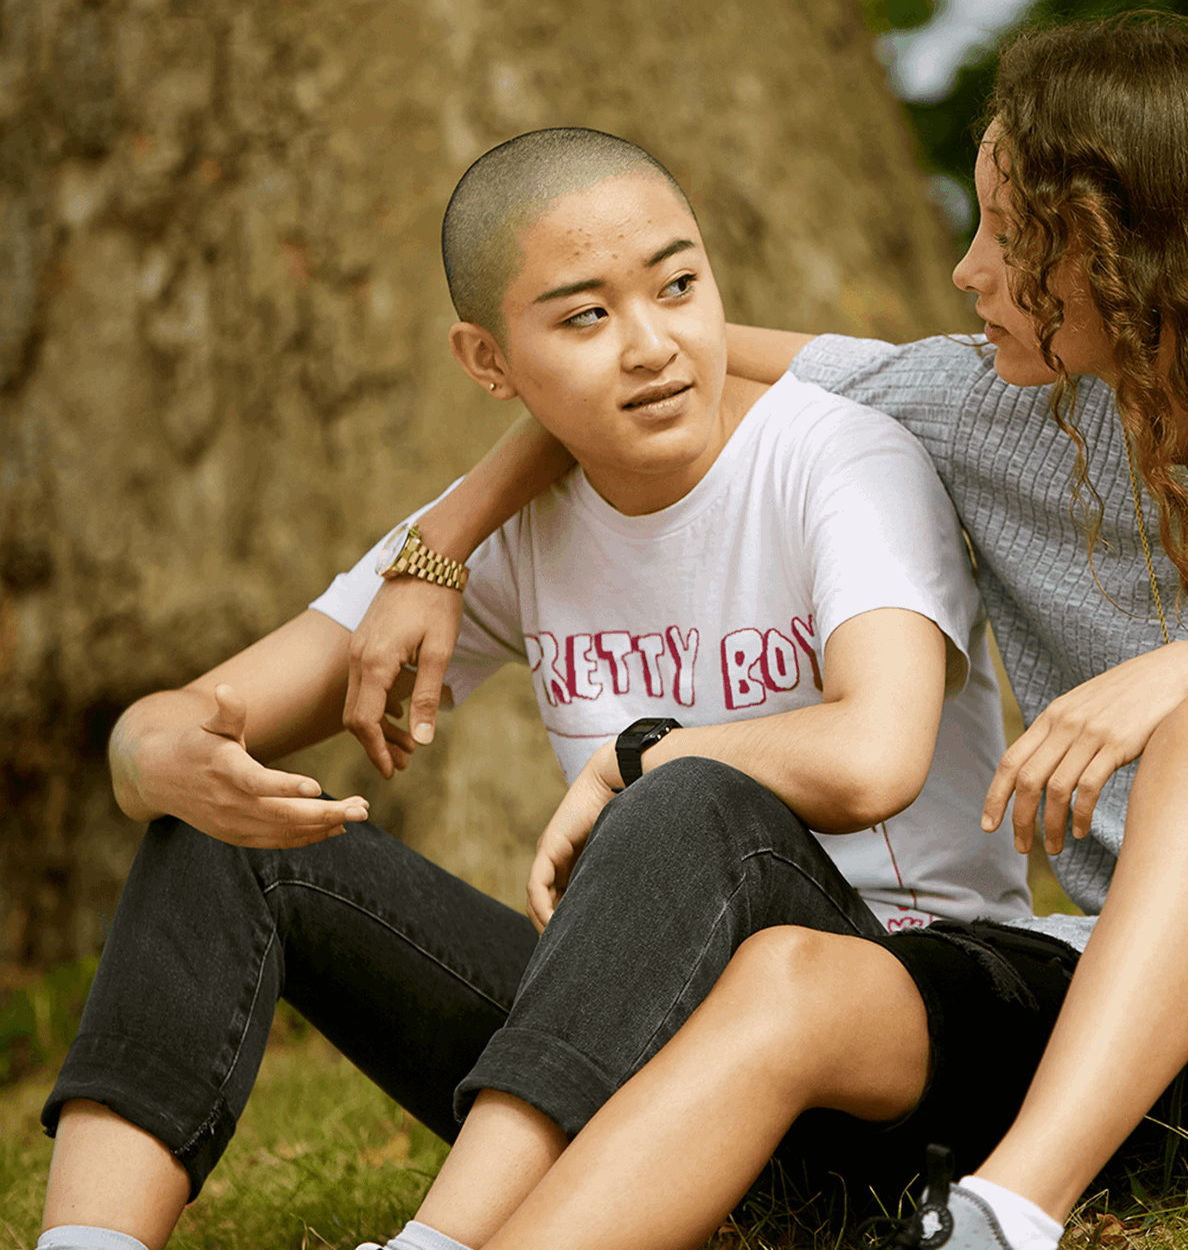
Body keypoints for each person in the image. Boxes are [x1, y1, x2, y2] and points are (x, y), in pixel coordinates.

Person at [340, 10, 1188, 1250]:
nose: (967, 269)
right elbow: (660, 373)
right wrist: (440, 546)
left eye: (1011, 238)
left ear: (1131, 258)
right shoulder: (991, 410)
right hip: (1168, 1049)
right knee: (793, 981)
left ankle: (1007, 1216)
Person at [35, 127, 1030, 1250]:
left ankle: (443, 1242)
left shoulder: (842, 460)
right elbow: (185, 716)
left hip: (876, 1037)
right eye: (585, 317)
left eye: (680, 285)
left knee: (688, 788)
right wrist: (158, 756)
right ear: (488, 362)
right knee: (214, 829)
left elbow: (876, 754)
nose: (653, 345)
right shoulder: (489, 534)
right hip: (626, 1055)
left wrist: (640, 754)